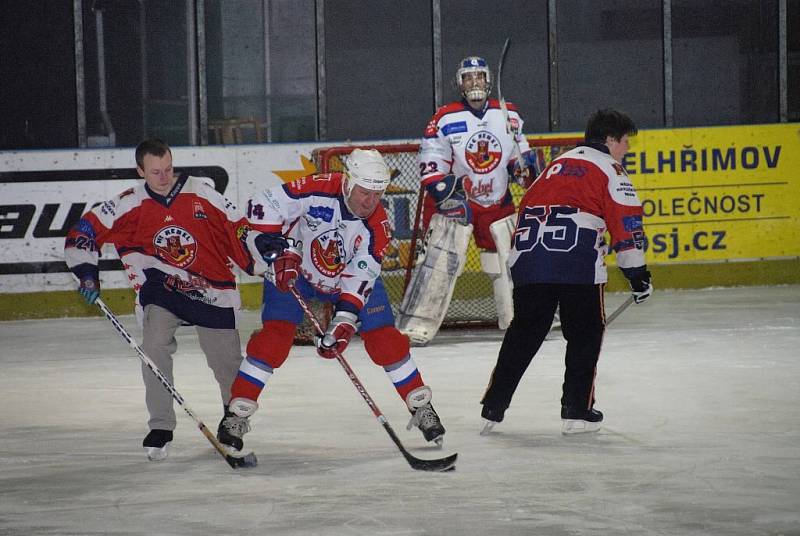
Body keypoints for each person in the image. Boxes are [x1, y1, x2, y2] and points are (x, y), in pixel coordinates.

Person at [225, 148, 447, 447]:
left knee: (385, 339)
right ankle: (237, 413)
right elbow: (262, 206)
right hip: (296, 271)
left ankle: (421, 406)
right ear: (348, 182)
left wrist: (343, 323)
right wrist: (275, 246)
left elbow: (358, 280)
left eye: (377, 195)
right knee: (273, 339)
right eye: (365, 192)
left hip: (343, 280)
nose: (370, 202)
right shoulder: (316, 188)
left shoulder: (378, 228)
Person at [64, 138, 266, 461]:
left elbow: (237, 227)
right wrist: (87, 273)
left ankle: (233, 421)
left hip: (211, 286)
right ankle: (160, 425)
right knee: (154, 346)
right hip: (162, 287)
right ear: (140, 170)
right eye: (155, 171)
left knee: (226, 359)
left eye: (168, 169)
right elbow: (84, 233)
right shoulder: (128, 203)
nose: (164, 177)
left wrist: (261, 252)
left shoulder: (200, 192)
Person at [479, 109, 653, 435]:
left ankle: (493, 405)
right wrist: (637, 275)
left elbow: (526, 206)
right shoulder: (610, 169)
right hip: (576, 261)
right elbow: (626, 225)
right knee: (586, 331)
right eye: (625, 142)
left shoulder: (554, 166)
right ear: (610, 139)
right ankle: (576, 410)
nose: (627, 149)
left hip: (529, 258)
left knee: (525, 332)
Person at [399, 55, 539, 344]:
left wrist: (522, 168)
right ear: (459, 83)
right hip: (458, 200)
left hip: (498, 200)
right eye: (468, 77)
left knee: (508, 260)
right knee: (441, 259)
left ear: (488, 81)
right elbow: (431, 162)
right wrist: (444, 192)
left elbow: (519, 158)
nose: (474, 81)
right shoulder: (445, 117)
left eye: (479, 76)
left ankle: (521, 317)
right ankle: (417, 324)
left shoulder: (509, 114)